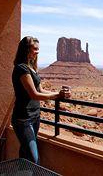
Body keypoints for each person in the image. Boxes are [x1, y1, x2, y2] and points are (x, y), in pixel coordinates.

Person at [11, 36, 70, 164]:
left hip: (35, 116)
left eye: (38, 49)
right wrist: (56, 95)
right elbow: (35, 95)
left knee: (25, 153)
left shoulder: (31, 67)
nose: (37, 52)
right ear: (26, 49)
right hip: (23, 119)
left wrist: (59, 94)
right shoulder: (22, 68)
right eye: (35, 49)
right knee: (34, 158)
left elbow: (41, 91)